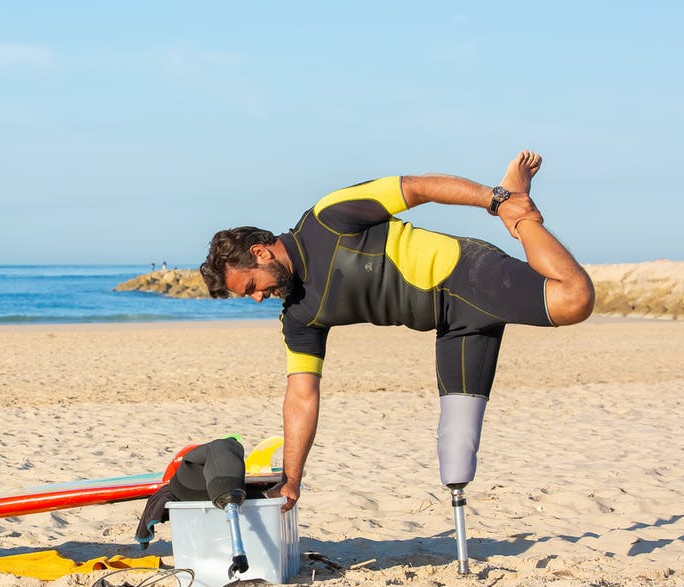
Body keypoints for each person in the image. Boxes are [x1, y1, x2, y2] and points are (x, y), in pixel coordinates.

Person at [198, 151, 594, 538]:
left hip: (467, 274)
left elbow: (419, 188)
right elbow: (301, 395)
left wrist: (495, 200)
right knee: (456, 456)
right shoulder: (300, 315)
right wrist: (291, 479)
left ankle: (521, 212)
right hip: (451, 326)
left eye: (251, 286)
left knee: (575, 299)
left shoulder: (328, 219)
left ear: (261, 252)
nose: (256, 298)